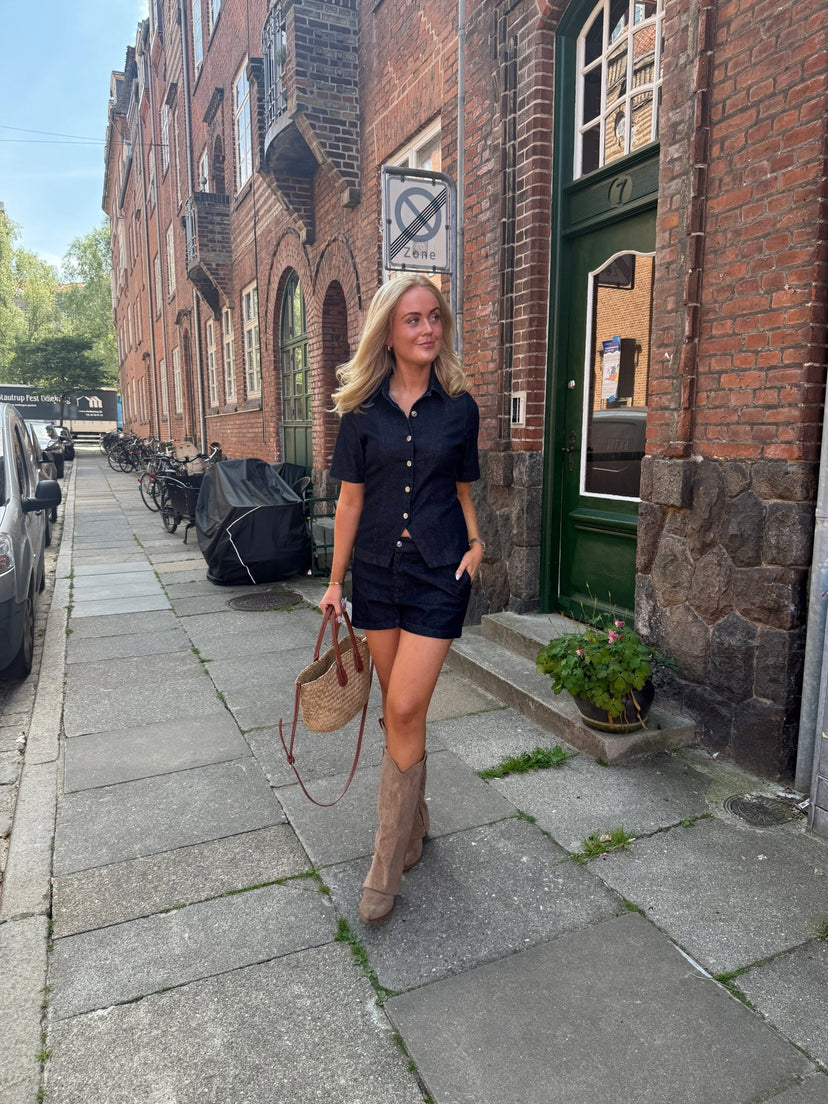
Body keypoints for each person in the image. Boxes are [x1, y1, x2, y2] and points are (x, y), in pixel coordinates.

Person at [320, 273, 484, 923]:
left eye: (434, 317)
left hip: (440, 572)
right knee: (397, 713)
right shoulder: (361, 412)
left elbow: (463, 489)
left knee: (408, 705)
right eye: (413, 319)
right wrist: (335, 582)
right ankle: (413, 822)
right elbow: (349, 502)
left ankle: (385, 862)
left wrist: (477, 545)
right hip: (377, 573)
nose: (427, 329)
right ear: (388, 332)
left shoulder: (460, 406)